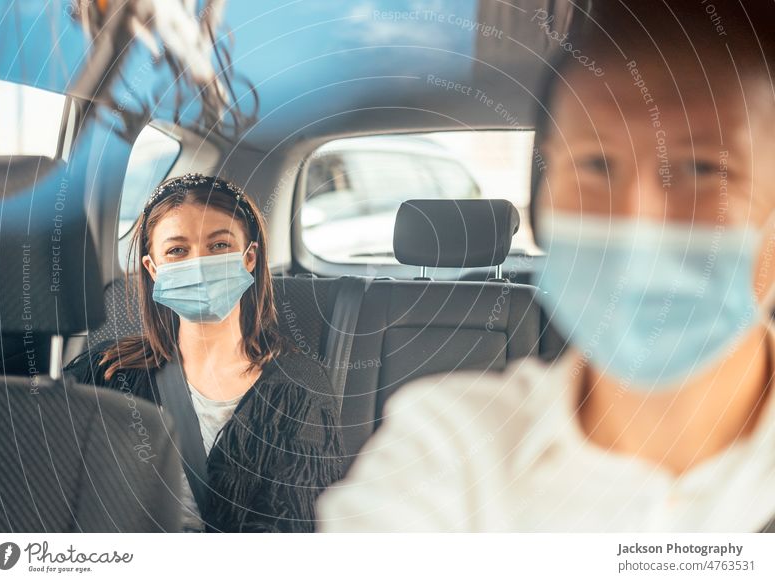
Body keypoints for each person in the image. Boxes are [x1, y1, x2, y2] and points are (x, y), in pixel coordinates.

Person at [316, 1, 775, 532]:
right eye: (596, 165)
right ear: (541, 209)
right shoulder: (446, 447)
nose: (637, 219)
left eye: (703, 168)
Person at [66, 173, 344, 532]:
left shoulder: (300, 390)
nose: (198, 264)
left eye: (218, 246)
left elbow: (293, 532)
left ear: (250, 257)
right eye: (177, 250)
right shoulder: (104, 371)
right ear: (153, 268)